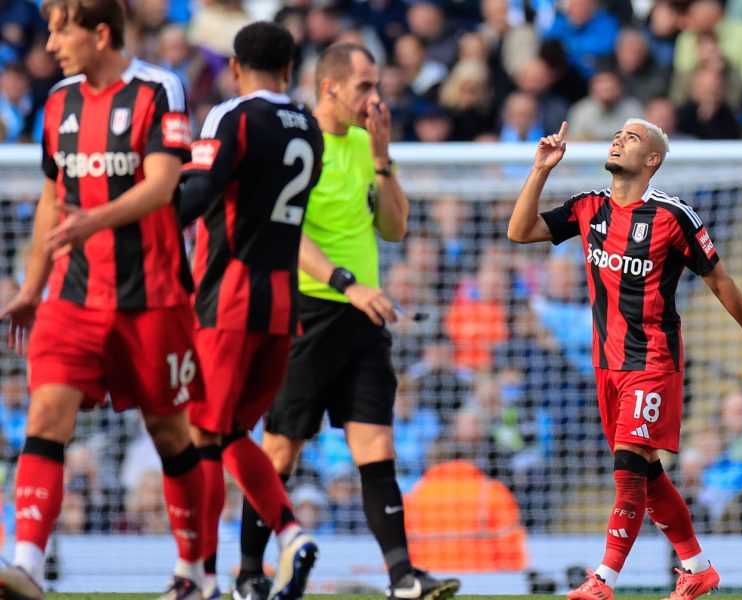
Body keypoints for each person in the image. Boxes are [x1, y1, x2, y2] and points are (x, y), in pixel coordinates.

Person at [507, 119, 742, 600]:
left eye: (631, 138)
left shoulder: (674, 217)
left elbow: (719, 280)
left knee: (628, 472)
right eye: (618, 134)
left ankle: (603, 580)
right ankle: (697, 567)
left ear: (652, 159)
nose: (618, 140)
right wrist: (540, 170)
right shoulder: (588, 207)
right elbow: (519, 231)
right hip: (606, 365)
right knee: (648, 474)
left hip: (653, 361)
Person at [237, 42, 460, 600]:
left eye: (377, 85)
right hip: (306, 315)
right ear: (329, 87)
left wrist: (383, 162)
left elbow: (395, 229)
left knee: (377, 448)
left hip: (363, 318)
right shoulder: (297, 144)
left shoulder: (366, 144)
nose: (375, 97)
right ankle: (246, 575)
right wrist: (347, 284)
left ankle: (403, 578)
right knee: (280, 452)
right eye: (364, 86)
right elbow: (283, 236)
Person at [0, 0, 206, 598]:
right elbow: (49, 198)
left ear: (99, 33)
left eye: (59, 31)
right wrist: (32, 288)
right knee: (45, 417)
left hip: (152, 295)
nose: (50, 45)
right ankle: (27, 566)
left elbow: (166, 184)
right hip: (72, 292)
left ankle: (192, 570)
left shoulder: (159, 89)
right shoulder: (58, 101)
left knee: (170, 434)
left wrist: (94, 221)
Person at [179, 22, 324, 600]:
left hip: (228, 297)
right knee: (233, 431)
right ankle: (290, 536)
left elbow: (200, 191)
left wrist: (142, 210)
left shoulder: (231, 115)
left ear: (235, 68)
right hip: (282, 303)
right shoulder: (309, 126)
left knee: (205, 435)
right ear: (290, 68)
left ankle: (203, 577)